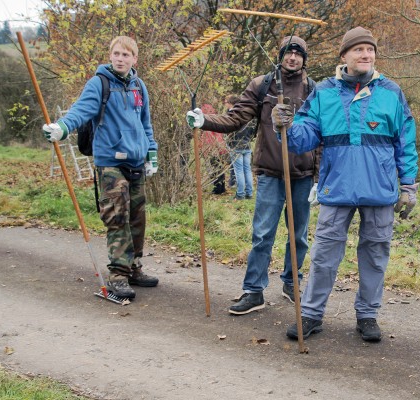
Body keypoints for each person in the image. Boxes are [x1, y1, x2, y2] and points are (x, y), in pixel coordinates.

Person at [273, 27, 419, 342]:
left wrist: (408, 186)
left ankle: (367, 315)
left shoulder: (391, 92)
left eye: (370, 50)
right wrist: (284, 124)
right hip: (336, 187)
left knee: (375, 256)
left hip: (379, 190)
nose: (366, 55)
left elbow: (406, 141)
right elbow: (302, 139)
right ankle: (311, 314)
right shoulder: (324, 92)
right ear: (344, 56)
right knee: (324, 254)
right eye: (359, 50)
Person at [186, 36, 320, 314]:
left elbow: (322, 135)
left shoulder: (313, 90)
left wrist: (319, 177)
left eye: (298, 54)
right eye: (288, 52)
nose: (292, 57)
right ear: (280, 55)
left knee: (298, 236)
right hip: (270, 172)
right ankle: (254, 290)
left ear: (304, 59)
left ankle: (292, 283)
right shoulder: (262, 85)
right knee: (262, 235)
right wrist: (204, 120)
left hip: (303, 174)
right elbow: (235, 118)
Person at [42, 35, 159, 299]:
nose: (120, 59)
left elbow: (145, 123)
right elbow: (80, 111)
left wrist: (151, 152)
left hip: (136, 162)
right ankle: (118, 275)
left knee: (137, 218)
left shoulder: (139, 86)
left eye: (125, 55)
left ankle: (134, 268)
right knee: (117, 217)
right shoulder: (99, 83)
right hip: (110, 163)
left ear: (134, 59)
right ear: (110, 56)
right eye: (116, 54)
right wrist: (62, 128)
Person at [223, 94, 255, 200]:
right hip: (247, 145)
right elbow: (252, 129)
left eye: (226, 102)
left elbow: (227, 130)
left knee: (239, 170)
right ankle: (249, 193)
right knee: (247, 169)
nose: (225, 104)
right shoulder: (247, 114)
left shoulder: (231, 115)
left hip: (235, 145)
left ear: (231, 103)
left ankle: (240, 194)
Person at [199, 103, 229, 195]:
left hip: (214, 148)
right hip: (218, 147)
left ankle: (218, 189)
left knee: (216, 169)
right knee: (219, 168)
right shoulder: (216, 119)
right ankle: (221, 188)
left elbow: (212, 137)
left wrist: (208, 149)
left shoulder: (208, 121)